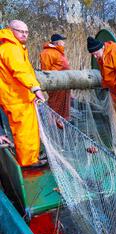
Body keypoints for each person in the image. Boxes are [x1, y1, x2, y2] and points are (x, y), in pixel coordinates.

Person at [0, 20, 47, 168]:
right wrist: (36, 88)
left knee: (31, 128)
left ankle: (32, 156)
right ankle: (28, 162)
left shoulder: (16, 47)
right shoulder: (10, 48)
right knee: (24, 130)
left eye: (26, 32)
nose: (25, 34)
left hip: (21, 96)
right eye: (21, 31)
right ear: (11, 30)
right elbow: (19, 71)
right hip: (15, 97)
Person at [40, 33, 71, 120]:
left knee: (63, 107)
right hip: (56, 85)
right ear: (57, 42)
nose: (64, 43)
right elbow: (46, 71)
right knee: (55, 105)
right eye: (62, 41)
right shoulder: (47, 53)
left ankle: (62, 122)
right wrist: (51, 84)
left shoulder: (59, 52)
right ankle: (53, 123)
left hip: (64, 85)